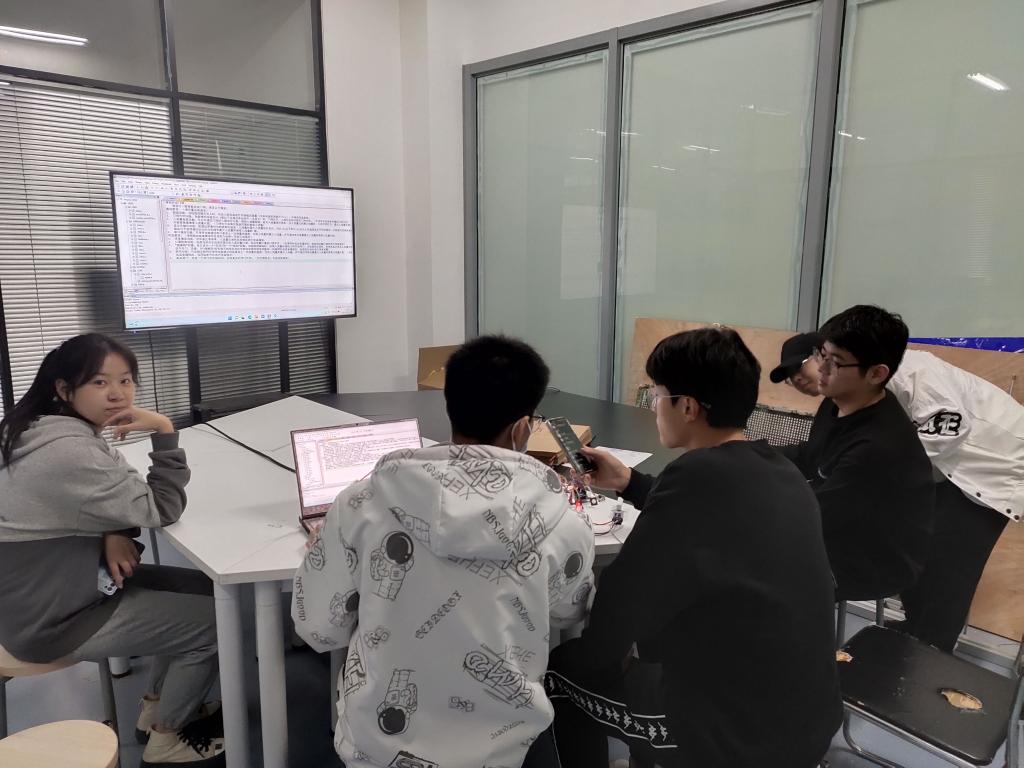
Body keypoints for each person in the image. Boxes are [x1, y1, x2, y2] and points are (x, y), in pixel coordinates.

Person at [291, 335, 595, 768]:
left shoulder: (360, 504)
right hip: (509, 751)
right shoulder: (562, 522)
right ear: (523, 428)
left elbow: (318, 630)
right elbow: (570, 614)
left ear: (449, 406)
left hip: (381, 751)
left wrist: (324, 555)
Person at [546, 327, 841, 768]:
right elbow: (710, 514)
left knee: (561, 673)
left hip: (736, 738)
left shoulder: (694, 480)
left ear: (687, 406)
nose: (654, 407)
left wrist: (592, 658)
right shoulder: (778, 470)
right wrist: (629, 482)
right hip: (807, 717)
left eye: (657, 396)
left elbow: (620, 607)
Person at [0, 333, 224, 768]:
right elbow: (161, 507)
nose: (118, 394)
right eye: (99, 382)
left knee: (204, 588)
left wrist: (113, 527)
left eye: (125, 380)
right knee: (215, 625)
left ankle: (157, 707)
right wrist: (164, 430)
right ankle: (166, 739)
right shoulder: (69, 448)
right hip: (54, 616)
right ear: (65, 389)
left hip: (47, 587)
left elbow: (97, 494)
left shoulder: (37, 427)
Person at [774, 333, 1024, 651]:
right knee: (913, 544)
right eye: (790, 378)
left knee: (947, 564)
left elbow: (951, 426)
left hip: (992, 467)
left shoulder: (908, 371)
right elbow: (820, 455)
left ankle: (933, 651)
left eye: (799, 368)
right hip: (945, 469)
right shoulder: (840, 402)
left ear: (826, 355)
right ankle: (914, 631)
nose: (798, 379)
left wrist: (883, 469)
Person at [777, 305, 935, 601]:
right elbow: (811, 456)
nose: (821, 369)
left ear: (876, 373)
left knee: (748, 563)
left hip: (870, 560)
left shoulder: (877, 447)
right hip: (840, 526)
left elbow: (812, 516)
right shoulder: (837, 401)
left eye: (835, 362)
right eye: (821, 355)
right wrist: (747, 454)